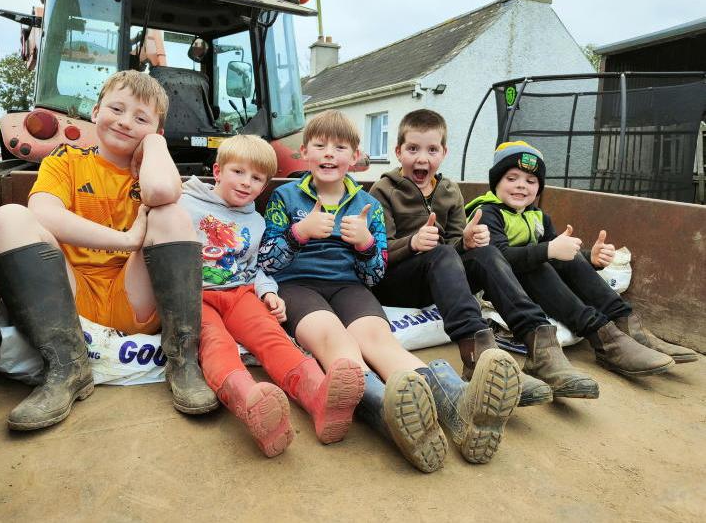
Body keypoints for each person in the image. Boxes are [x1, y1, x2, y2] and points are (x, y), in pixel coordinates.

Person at [259, 109, 519, 472]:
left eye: (340, 147)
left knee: (380, 342)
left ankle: (458, 402)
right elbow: (267, 261)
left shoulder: (367, 205)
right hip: (297, 285)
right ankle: (389, 409)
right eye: (320, 146)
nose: (329, 154)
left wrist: (365, 244)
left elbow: (375, 273)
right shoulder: (286, 196)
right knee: (336, 341)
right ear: (304, 152)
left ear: (355, 157)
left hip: (349, 286)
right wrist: (299, 233)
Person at [0, 70, 217, 430]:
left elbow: (160, 193)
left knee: (170, 214)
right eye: (117, 109)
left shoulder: (150, 171)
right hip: (67, 302)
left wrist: (155, 146)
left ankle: (183, 363)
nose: (125, 122)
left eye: (141, 119)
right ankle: (67, 368)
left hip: (133, 297)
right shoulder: (66, 160)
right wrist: (126, 240)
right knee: (4, 219)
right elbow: (42, 213)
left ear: (156, 130)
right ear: (95, 112)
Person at [369, 109, 601, 411]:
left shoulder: (449, 191)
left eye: (432, 150)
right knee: (442, 252)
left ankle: (541, 347)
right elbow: (378, 252)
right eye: (413, 149)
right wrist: (412, 243)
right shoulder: (383, 190)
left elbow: (454, 246)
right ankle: (477, 357)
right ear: (398, 151)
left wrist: (465, 242)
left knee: (487, 251)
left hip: (441, 278)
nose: (422, 158)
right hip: (398, 281)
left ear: (444, 153)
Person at [179, 135, 365, 458]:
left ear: (264, 185)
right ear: (217, 171)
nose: (246, 183)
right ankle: (251, 402)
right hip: (197, 295)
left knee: (271, 335)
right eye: (238, 172)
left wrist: (268, 292)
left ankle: (319, 397)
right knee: (216, 343)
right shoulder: (186, 205)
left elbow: (257, 266)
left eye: (256, 178)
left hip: (240, 292)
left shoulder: (255, 220)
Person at [465, 140, 697, 376]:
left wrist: (590, 258)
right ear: (496, 182)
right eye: (511, 178)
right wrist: (548, 251)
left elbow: (558, 254)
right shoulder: (487, 213)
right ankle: (602, 337)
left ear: (539, 188)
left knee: (565, 256)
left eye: (531, 181)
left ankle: (625, 321)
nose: (521, 186)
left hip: (533, 283)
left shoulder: (537, 216)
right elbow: (495, 259)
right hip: (499, 289)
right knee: (540, 262)